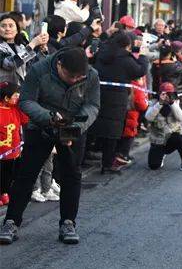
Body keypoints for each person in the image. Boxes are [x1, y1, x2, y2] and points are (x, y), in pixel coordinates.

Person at [0, 47, 99, 245]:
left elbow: (92, 105)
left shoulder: (91, 75)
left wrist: (76, 127)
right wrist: (48, 118)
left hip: (73, 127)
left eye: (78, 78)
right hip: (41, 125)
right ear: (59, 65)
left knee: (71, 175)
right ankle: (11, 222)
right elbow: (26, 101)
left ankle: (68, 222)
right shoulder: (39, 70)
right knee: (26, 174)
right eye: (70, 76)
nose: (74, 81)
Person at [90, 32, 147, 174]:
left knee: (100, 126)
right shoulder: (125, 59)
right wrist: (143, 56)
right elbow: (139, 71)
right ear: (127, 45)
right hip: (117, 100)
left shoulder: (102, 55)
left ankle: (97, 157)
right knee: (113, 132)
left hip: (100, 95)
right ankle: (107, 164)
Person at [145, 82, 182, 171]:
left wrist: (172, 103)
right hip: (158, 138)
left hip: (172, 135)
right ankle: (162, 154)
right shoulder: (154, 103)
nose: (167, 96)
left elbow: (181, 118)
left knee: (178, 138)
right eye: (164, 94)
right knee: (153, 166)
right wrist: (160, 104)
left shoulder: (175, 102)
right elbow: (148, 117)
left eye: (170, 94)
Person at [0, 13, 48, 85]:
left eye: (11, 26)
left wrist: (43, 51)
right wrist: (33, 44)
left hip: (21, 90)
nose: (7, 29)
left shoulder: (21, 45)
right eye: (3, 26)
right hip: (4, 92)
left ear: (17, 29)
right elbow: (10, 64)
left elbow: (33, 66)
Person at [0, 82, 27, 206]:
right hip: (2, 152)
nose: (17, 98)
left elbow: (25, 119)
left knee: (10, 175)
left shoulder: (15, 109)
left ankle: (5, 192)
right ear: (6, 98)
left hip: (14, 151)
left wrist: (21, 105)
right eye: (15, 96)